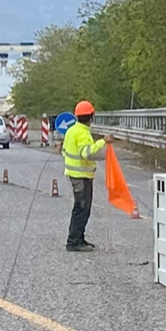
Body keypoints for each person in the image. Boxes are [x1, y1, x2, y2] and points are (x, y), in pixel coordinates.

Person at [63, 100, 112, 252]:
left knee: (81, 207)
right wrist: (103, 141)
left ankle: (79, 237)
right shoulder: (83, 133)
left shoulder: (71, 130)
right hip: (81, 176)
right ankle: (74, 241)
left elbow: (64, 151)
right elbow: (87, 153)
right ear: (91, 116)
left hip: (75, 174)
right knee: (82, 208)